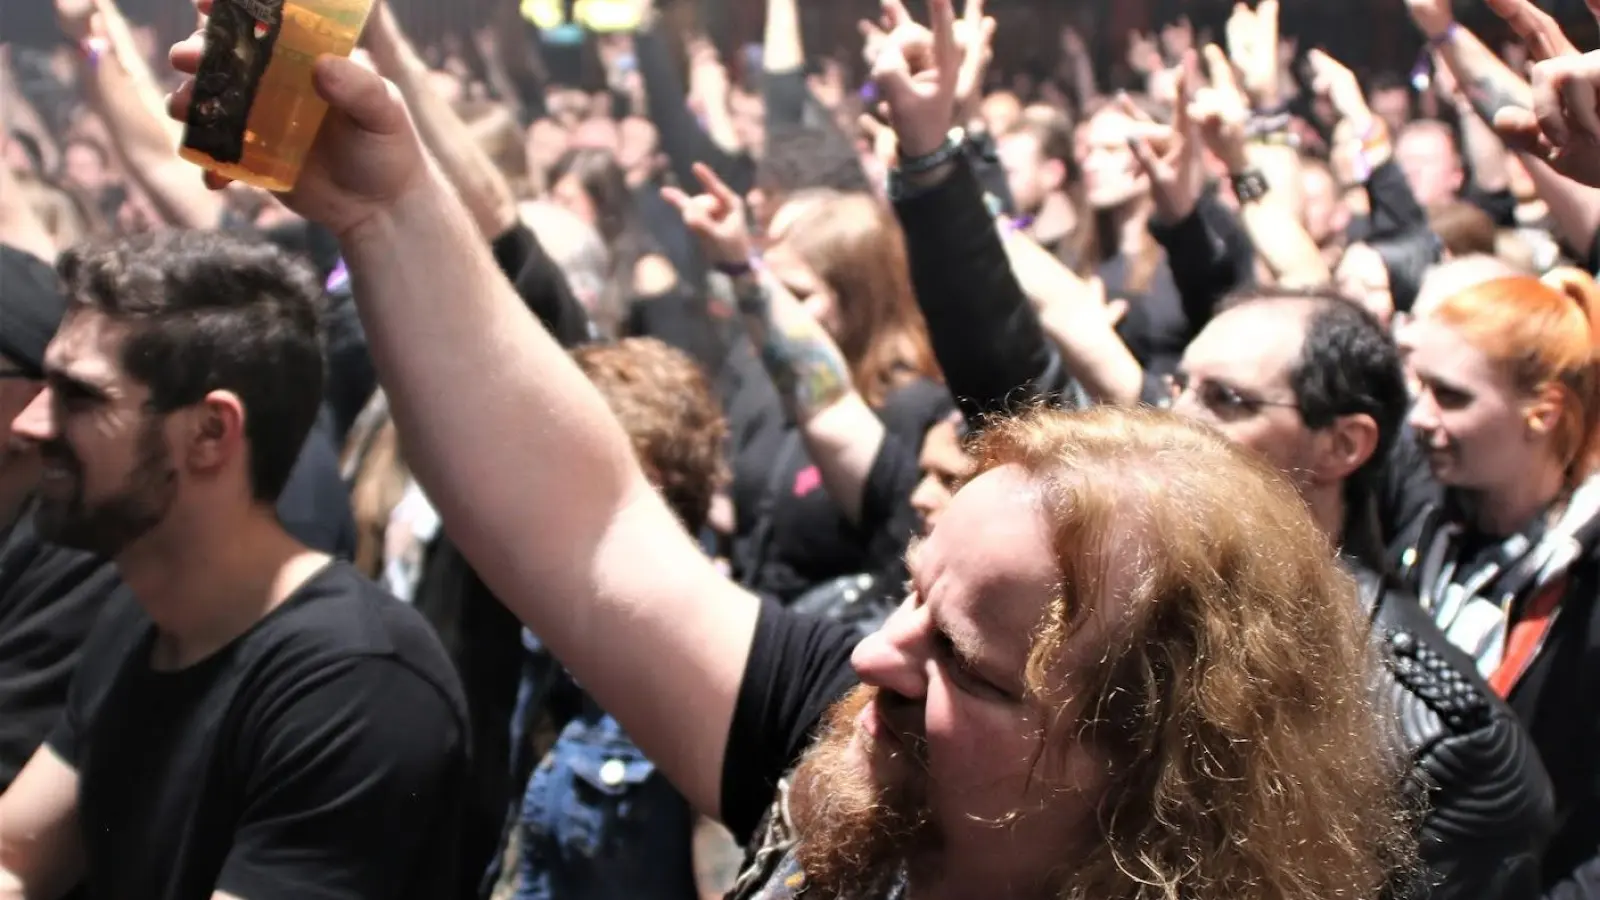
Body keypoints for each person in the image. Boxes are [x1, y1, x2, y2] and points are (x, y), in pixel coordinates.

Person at [159, 3, 1419, 897]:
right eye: (913, 595)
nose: (877, 656)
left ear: (1161, 779)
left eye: (971, 672)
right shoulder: (870, 756)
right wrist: (387, 208)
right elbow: (590, 535)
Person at [0, 231, 468, 900]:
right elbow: (15, 859)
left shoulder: (355, 685)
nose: (33, 425)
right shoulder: (146, 615)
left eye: (80, 398)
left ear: (211, 434)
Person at [1171, 289, 1554, 900]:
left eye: (1225, 400)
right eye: (1178, 388)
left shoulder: (1443, 743)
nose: (1175, 421)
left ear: (1343, 445)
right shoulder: (1137, 590)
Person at [1396, 271, 1600, 895]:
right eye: (1420, 386)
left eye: (1451, 397)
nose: (1419, 418)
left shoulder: (1587, 574)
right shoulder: (1425, 506)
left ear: (1544, 413)